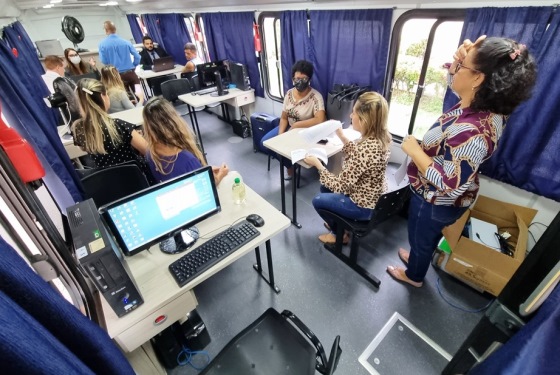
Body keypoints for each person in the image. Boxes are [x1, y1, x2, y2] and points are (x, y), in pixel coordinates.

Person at [387, 36, 537, 288]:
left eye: (462, 66)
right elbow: (458, 84)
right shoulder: (486, 107)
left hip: (435, 200)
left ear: (478, 78)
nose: (454, 69)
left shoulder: (472, 131)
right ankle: (418, 257)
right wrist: (461, 62)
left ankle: (413, 276)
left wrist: (415, 151)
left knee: (420, 237)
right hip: (453, 200)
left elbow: (448, 183)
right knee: (429, 237)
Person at [304, 92, 391, 244]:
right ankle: (337, 225)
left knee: (317, 200)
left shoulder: (365, 149)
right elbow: (360, 159)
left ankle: (339, 234)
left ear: (364, 119)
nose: (351, 115)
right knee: (325, 186)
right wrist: (342, 136)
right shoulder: (380, 138)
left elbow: (340, 185)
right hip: (370, 198)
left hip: (361, 206)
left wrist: (318, 164)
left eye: (354, 112)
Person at [72, 78, 153, 182]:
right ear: (103, 96)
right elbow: (147, 150)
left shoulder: (78, 128)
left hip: (107, 181)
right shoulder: (119, 125)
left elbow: (84, 148)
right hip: (134, 178)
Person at [260, 60, 326, 178]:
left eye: (304, 79)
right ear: (292, 78)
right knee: (266, 143)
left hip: (304, 132)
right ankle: (289, 166)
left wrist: (297, 125)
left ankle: (291, 166)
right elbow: (284, 118)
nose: (300, 82)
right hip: (288, 127)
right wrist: (280, 135)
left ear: (309, 79)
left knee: (286, 147)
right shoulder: (289, 94)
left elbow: (319, 119)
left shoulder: (316, 97)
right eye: (297, 78)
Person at [142, 97, 229, 184]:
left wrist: (203, 170)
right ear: (174, 120)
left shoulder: (151, 153)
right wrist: (220, 176)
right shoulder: (188, 160)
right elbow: (206, 187)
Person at [98, 20, 144, 105]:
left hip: (117, 77)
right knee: (139, 94)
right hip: (132, 74)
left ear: (105, 30)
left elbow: (104, 61)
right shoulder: (126, 42)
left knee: (126, 99)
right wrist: (133, 65)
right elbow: (138, 57)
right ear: (115, 29)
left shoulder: (102, 44)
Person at [41, 55, 81, 125]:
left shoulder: (41, 79)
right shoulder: (61, 81)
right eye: (63, 67)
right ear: (58, 67)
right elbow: (73, 101)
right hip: (67, 116)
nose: (64, 70)